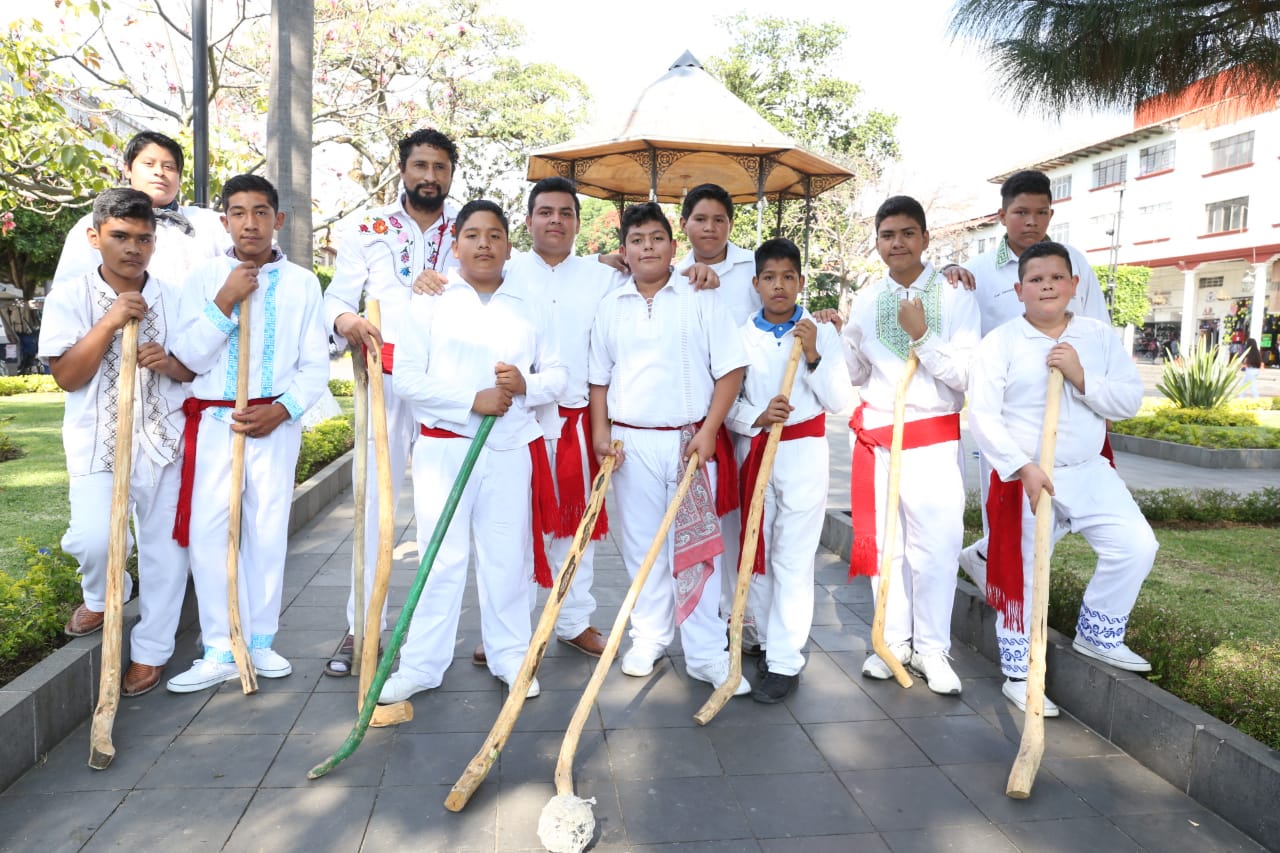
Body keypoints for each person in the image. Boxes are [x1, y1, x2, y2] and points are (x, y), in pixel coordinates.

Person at [376, 199, 567, 702]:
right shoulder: (431, 301)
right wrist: (471, 401)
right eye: (473, 235)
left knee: (506, 558)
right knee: (441, 559)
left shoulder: (527, 308)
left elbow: (560, 375)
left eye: (495, 235)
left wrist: (526, 384)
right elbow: (410, 378)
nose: (484, 244)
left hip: (508, 451)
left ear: (509, 245)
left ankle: (509, 657)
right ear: (455, 243)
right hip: (446, 450)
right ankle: (422, 664)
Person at [968, 241, 1158, 715]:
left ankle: (1099, 632)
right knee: (1027, 575)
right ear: (1019, 290)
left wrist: (1080, 375)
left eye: (1056, 277)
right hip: (1027, 477)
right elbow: (984, 417)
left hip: (1089, 470)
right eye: (1036, 279)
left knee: (1136, 545)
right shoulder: (1002, 343)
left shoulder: (1097, 337)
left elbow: (1129, 402)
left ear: (1074, 285)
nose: (1047, 285)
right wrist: (1023, 467)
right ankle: (1021, 675)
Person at [166, 174, 329, 693]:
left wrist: (282, 410)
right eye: (238, 212)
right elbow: (188, 355)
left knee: (265, 527)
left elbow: (314, 367)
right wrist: (226, 300)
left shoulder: (303, 283)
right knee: (210, 533)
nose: (250, 223)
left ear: (277, 220)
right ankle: (218, 645)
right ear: (224, 222)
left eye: (261, 212)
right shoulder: (204, 277)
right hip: (215, 421)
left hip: (273, 425)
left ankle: (260, 639)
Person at [588, 202, 750, 697]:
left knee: (696, 549)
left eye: (657, 238)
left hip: (689, 441)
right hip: (630, 442)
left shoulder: (699, 297)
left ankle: (705, 655)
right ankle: (649, 639)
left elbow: (730, 370)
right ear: (624, 251)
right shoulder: (610, 305)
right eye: (637, 240)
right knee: (643, 549)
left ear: (673, 245)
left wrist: (708, 430)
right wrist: (600, 434)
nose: (647, 248)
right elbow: (598, 378)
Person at [37, 188, 193, 697]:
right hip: (97, 441)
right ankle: (105, 594)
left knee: (166, 554)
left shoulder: (175, 295)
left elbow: (196, 367)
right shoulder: (71, 295)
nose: (133, 248)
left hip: (164, 441)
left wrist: (168, 361)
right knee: (94, 538)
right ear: (95, 237)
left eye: (144, 239)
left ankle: (151, 652)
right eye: (120, 237)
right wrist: (109, 321)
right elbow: (66, 376)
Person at [321, 128, 461, 677]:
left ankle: (424, 637)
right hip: (382, 373)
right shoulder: (368, 226)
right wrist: (347, 322)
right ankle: (364, 628)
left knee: (438, 508)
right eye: (420, 165)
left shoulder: (470, 227)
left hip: (446, 382)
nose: (430, 176)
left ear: (451, 174)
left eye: (440, 167)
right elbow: (337, 295)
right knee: (374, 503)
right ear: (403, 168)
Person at [946, 170, 1112, 590]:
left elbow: (1099, 331)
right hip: (1006, 418)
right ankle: (1006, 599)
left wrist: (1097, 391)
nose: (1031, 222)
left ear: (1052, 214)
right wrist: (948, 273)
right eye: (1021, 212)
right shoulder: (976, 272)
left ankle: (991, 561)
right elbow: (962, 330)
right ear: (1002, 215)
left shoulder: (1074, 263)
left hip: (1068, 407)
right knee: (1003, 506)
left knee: (1061, 503)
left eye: (1041, 212)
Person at [842, 196, 980, 696]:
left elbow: (967, 376)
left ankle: (932, 648)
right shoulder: (863, 299)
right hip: (880, 435)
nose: (896, 243)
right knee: (887, 549)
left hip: (931, 436)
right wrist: (840, 343)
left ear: (925, 238)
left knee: (936, 548)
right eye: (887, 235)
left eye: (907, 233)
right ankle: (892, 641)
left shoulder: (955, 295)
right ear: (877, 242)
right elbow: (857, 372)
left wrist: (921, 339)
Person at [725, 238, 852, 703]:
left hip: (804, 454)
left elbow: (840, 401)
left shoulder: (820, 331)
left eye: (788, 278)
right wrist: (756, 416)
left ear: (800, 281)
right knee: (756, 551)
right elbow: (729, 402)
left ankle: (784, 659)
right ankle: (757, 636)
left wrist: (815, 354)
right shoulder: (740, 336)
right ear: (756, 283)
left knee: (792, 558)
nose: (779, 286)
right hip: (757, 450)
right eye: (770, 278)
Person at [53, 131, 227, 289]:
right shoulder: (96, 224)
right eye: (149, 164)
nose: (159, 172)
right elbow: (67, 291)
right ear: (127, 169)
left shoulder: (210, 223)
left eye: (169, 167)